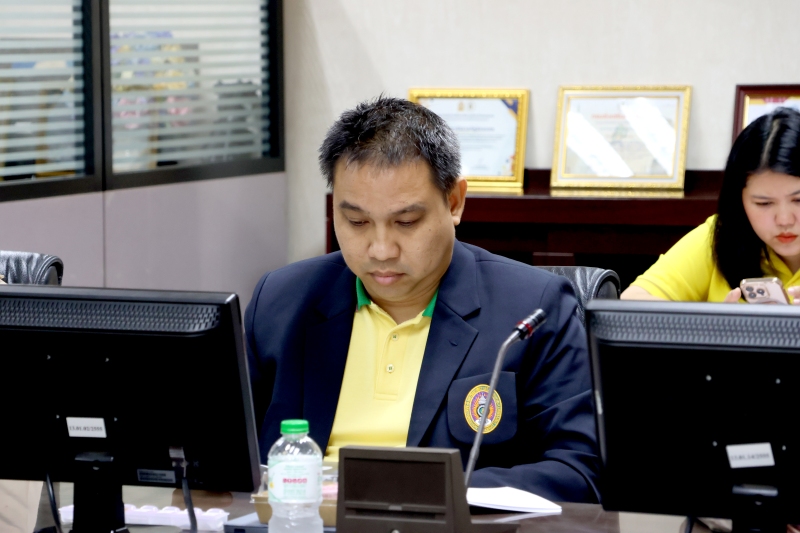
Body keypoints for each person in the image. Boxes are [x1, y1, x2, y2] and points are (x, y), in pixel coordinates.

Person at [245, 96, 599, 503]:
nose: (381, 249)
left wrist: (416, 491)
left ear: (454, 202)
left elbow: (580, 470)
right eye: (357, 222)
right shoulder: (282, 300)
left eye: (406, 222)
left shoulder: (532, 307)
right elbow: (223, 455)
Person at [622, 107, 800, 303]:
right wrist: (714, 320)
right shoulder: (722, 235)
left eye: (798, 200)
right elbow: (632, 301)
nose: (785, 220)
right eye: (763, 203)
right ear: (739, 199)